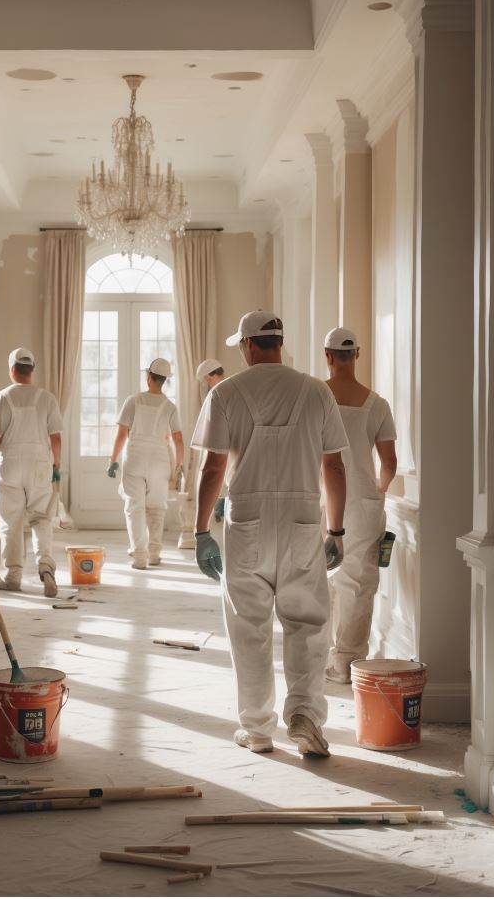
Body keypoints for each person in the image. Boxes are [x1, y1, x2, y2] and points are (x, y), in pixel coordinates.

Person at [192, 310, 348, 757]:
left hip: (248, 520)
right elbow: (333, 466)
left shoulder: (225, 392)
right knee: (308, 623)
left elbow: (213, 467)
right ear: (279, 342)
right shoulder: (317, 391)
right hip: (302, 519)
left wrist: (201, 529)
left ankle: (258, 729)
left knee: (249, 626)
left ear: (246, 345)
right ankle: (304, 715)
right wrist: (335, 530)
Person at [322, 327, 398, 683]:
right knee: (357, 585)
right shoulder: (377, 404)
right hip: (364, 504)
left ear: (328, 356)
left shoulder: (315, 396)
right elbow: (390, 463)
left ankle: (314, 658)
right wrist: (377, 491)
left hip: (321, 498)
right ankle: (346, 663)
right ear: (358, 355)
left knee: (313, 580)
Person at [0, 348, 62, 596]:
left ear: (12, 369)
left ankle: (13, 576)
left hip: (10, 464)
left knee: (10, 522)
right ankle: (46, 567)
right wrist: (56, 466)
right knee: (41, 518)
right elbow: (55, 437)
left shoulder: (0, 399)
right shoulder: (47, 399)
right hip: (39, 465)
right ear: (32, 370)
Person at [108, 357, 184, 569]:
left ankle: (140, 556)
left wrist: (112, 460)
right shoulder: (170, 406)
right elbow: (178, 439)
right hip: (160, 460)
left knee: (134, 507)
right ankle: (154, 553)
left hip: (135, 458)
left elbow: (122, 434)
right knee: (157, 508)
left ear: (149, 377)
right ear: (164, 380)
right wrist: (179, 467)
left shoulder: (133, 400)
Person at [195, 358, 228, 522]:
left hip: (222, 449)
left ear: (209, 377)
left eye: (206, 380)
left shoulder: (221, 393)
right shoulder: (218, 392)